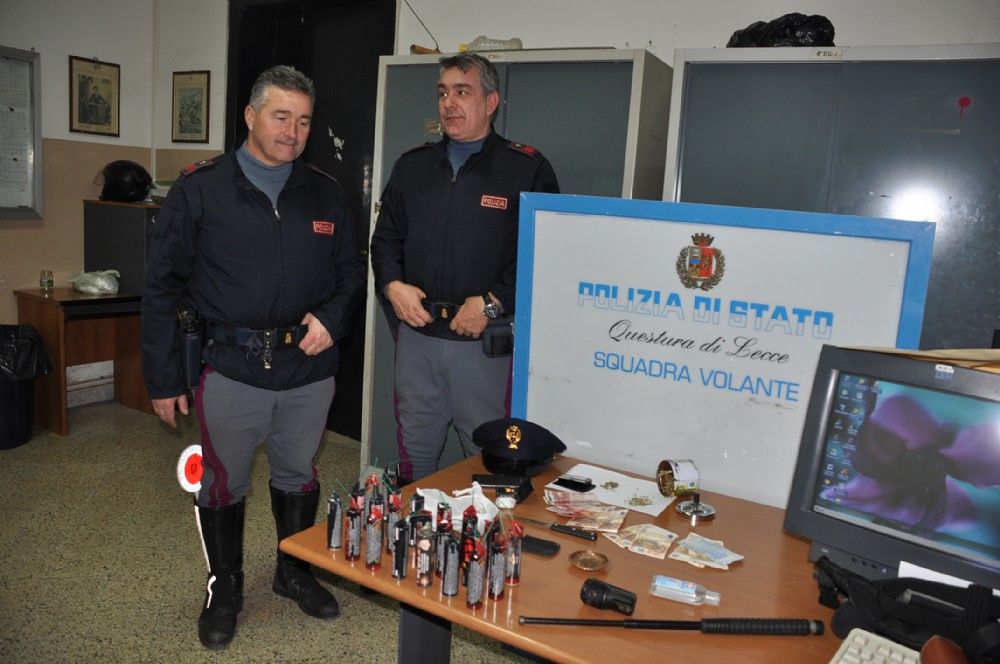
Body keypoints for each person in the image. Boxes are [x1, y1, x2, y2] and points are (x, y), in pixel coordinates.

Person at [141, 65, 365, 650]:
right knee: (224, 481)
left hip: (307, 367)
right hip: (230, 366)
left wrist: (333, 319)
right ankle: (225, 586)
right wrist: (163, 378)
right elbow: (161, 286)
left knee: (298, 473)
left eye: (304, 121)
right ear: (250, 115)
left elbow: (350, 271)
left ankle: (293, 571)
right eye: (280, 116)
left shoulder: (325, 191)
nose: (293, 132)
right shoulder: (200, 188)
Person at [370, 53, 559, 482]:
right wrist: (393, 285)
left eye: (462, 92)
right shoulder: (412, 165)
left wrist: (493, 303)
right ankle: (416, 522)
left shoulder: (525, 168)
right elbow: (385, 240)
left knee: (489, 454)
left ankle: (487, 525)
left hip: (482, 342)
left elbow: (544, 254)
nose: (449, 104)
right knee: (414, 450)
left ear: (490, 102)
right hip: (418, 338)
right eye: (442, 93)